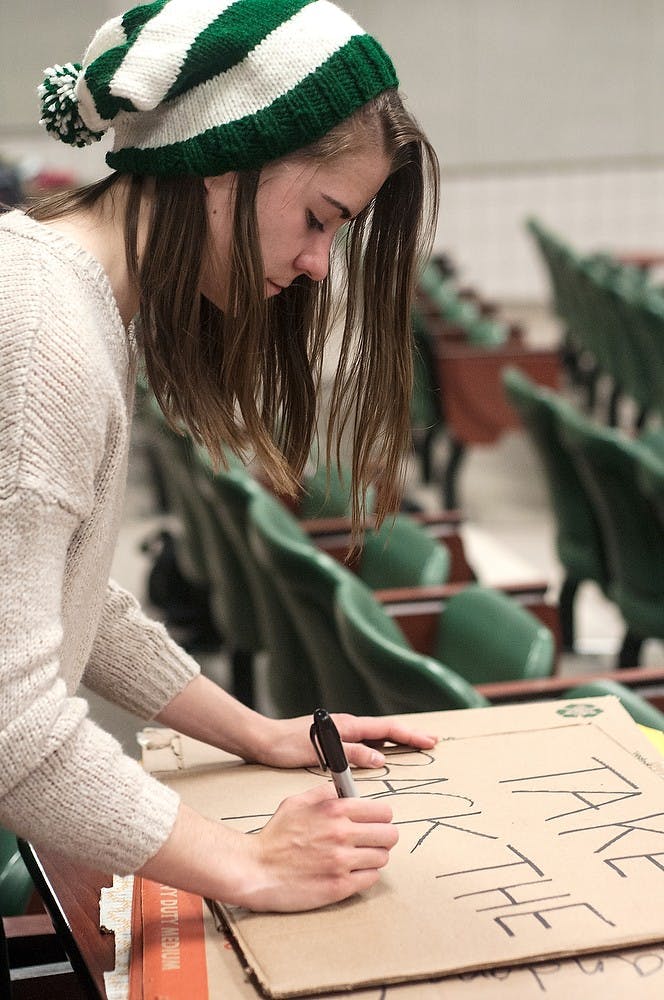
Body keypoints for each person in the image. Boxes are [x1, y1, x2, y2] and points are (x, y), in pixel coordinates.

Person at [0, 0, 440, 913]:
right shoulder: (41, 337)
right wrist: (251, 867)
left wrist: (256, 734)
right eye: (320, 218)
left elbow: (70, 596)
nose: (320, 264)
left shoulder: (71, 301)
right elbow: (10, 721)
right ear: (223, 163)